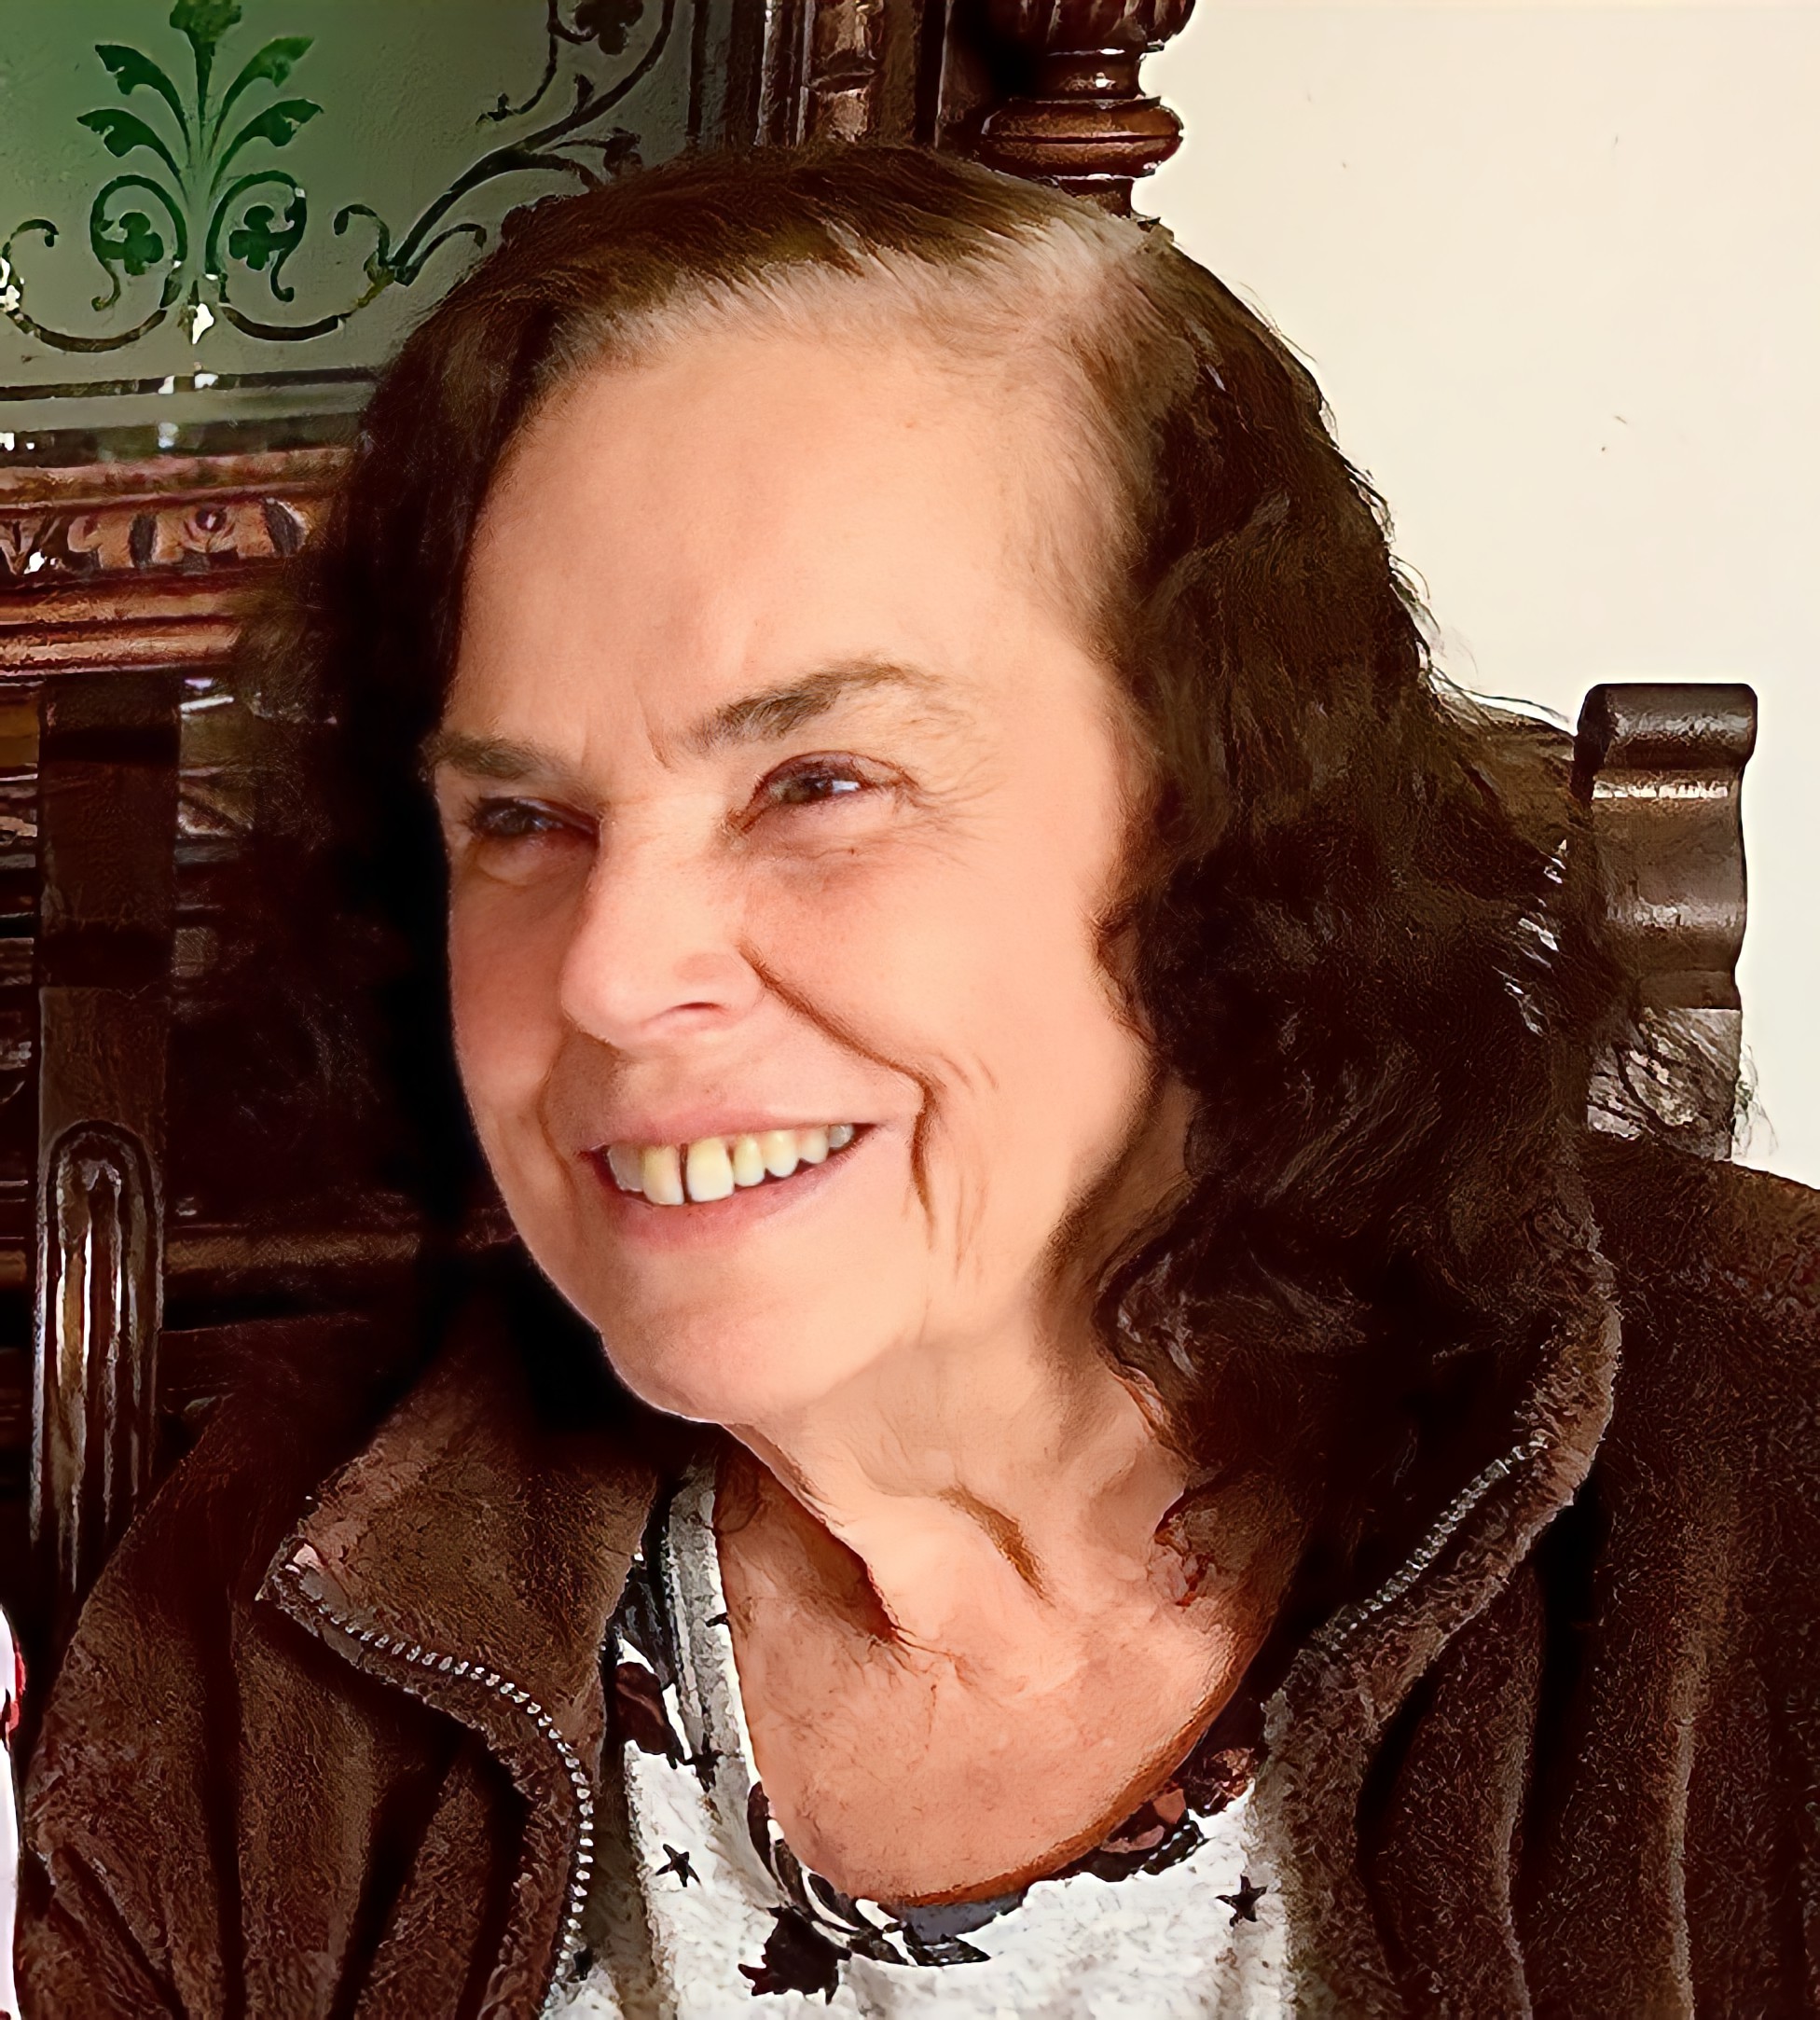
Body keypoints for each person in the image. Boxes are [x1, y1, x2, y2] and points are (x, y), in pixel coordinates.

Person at [12, 143, 1818, 2017]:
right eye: (520, 819)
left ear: (1224, 818)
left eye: (819, 783)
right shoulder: (267, 1630)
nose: (609, 976)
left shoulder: (1764, 1489)